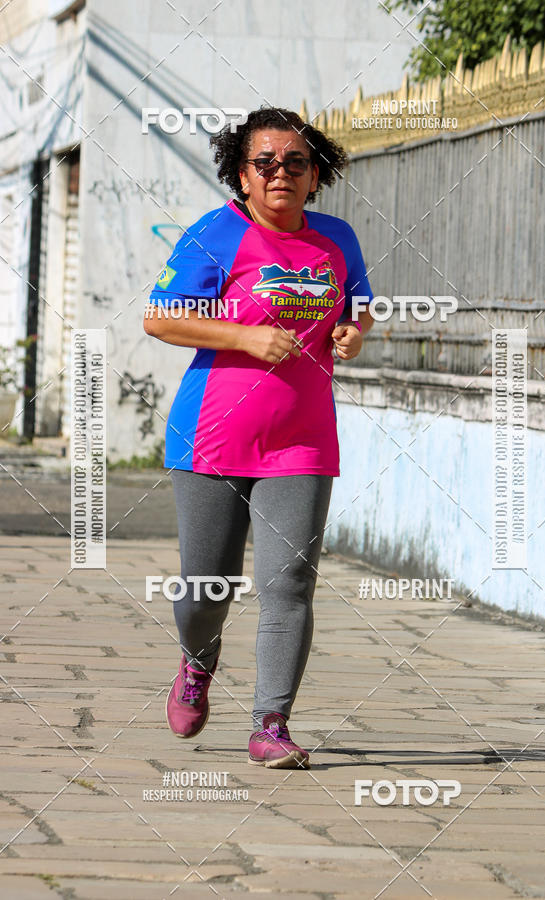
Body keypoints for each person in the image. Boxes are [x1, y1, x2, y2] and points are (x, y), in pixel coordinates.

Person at [144, 106, 374, 769]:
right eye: (265, 163)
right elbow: (160, 319)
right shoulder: (215, 235)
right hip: (212, 436)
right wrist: (243, 336)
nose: (280, 173)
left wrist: (354, 332)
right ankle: (197, 660)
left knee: (291, 583)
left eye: (295, 163)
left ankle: (271, 724)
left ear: (315, 176)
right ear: (241, 175)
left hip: (302, 439)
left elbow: (358, 301)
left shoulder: (337, 239)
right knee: (205, 589)